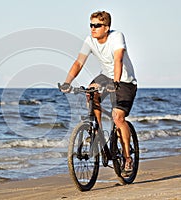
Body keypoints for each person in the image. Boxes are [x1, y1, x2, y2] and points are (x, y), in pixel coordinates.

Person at [59, 11, 137, 174]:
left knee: (118, 117)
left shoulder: (116, 37)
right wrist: (67, 82)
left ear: (106, 28)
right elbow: (78, 63)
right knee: (90, 91)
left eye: (97, 25)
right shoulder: (90, 41)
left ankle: (128, 158)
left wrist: (115, 82)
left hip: (125, 81)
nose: (93, 29)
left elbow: (118, 59)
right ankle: (98, 133)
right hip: (106, 77)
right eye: (91, 25)